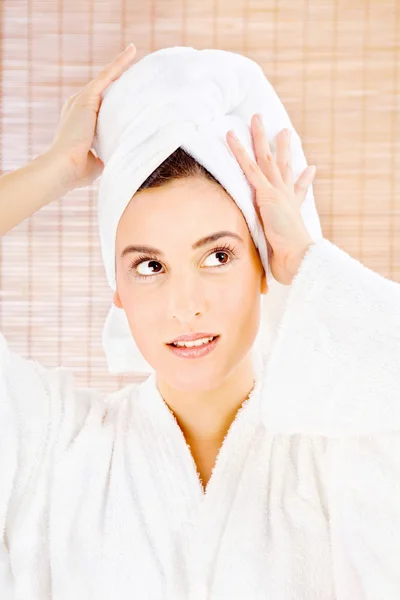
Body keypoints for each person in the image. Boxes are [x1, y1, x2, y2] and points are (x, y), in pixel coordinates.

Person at [0, 44, 399, 600]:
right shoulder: (55, 447)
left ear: (264, 264)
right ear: (116, 287)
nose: (184, 305)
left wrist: (309, 262)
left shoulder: (335, 454)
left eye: (218, 256)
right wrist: (56, 170)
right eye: (149, 266)